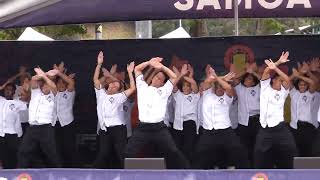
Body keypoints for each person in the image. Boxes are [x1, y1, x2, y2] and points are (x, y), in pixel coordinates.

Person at [125, 57, 189, 169]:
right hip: (143, 128)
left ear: (162, 83)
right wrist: (149, 62)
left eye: (161, 79)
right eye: (157, 77)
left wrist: (162, 67)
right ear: (152, 77)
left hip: (159, 128)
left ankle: (187, 172)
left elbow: (174, 77)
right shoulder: (142, 86)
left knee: (173, 151)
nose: (158, 79)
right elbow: (137, 69)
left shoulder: (165, 90)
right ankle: (125, 174)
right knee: (128, 152)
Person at [193, 65, 249, 169]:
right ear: (214, 87)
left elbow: (228, 88)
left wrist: (218, 78)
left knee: (238, 151)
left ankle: (245, 174)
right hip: (209, 131)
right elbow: (207, 82)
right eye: (218, 87)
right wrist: (221, 78)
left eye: (221, 87)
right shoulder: (207, 94)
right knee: (201, 153)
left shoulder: (227, 97)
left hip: (225, 131)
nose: (220, 89)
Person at [254, 52, 297, 168]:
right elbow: (266, 71)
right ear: (273, 81)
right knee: (259, 153)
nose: (281, 82)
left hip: (280, 129)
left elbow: (287, 79)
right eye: (279, 80)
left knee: (291, 149)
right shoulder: (265, 87)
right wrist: (276, 63)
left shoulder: (283, 92)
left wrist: (276, 68)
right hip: (265, 129)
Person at [93, 51, 136, 168]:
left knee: (121, 153)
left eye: (117, 87)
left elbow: (132, 88)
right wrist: (99, 64)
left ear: (118, 90)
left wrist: (130, 73)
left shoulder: (119, 97)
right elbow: (96, 80)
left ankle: (128, 175)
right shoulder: (100, 94)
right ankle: (93, 174)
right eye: (112, 84)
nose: (113, 86)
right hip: (104, 128)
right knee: (103, 153)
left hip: (118, 129)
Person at [18, 67, 61, 168]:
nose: (47, 87)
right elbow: (33, 79)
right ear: (41, 85)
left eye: (48, 85)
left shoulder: (53, 94)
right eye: (45, 85)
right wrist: (45, 74)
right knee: (23, 151)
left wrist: (44, 76)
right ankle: (21, 173)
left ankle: (58, 173)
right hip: (32, 128)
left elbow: (53, 86)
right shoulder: (35, 91)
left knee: (51, 154)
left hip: (45, 128)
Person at [233, 63, 261, 167]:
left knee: (256, 146)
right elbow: (235, 78)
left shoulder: (258, 88)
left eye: (249, 79)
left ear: (253, 81)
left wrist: (252, 72)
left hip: (256, 121)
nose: (246, 80)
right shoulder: (240, 88)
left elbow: (263, 80)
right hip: (243, 122)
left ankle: (255, 168)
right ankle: (245, 168)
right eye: (245, 79)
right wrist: (246, 71)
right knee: (244, 147)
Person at [172, 64, 200, 162]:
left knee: (189, 147)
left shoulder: (195, 95)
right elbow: (173, 85)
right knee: (178, 147)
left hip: (190, 123)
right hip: (178, 124)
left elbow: (194, 84)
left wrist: (186, 74)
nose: (186, 88)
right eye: (184, 86)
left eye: (188, 86)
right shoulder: (177, 94)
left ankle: (190, 169)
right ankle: (179, 169)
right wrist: (180, 75)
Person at [52, 62, 77, 167]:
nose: (61, 84)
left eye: (63, 83)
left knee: (69, 148)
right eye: (59, 83)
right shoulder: (53, 93)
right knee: (56, 149)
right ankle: (58, 169)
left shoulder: (69, 93)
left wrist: (59, 73)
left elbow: (71, 82)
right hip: (54, 124)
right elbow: (49, 82)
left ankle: (71, 170)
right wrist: (55, 74)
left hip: (67, 124)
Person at [0, 83, 28, 168]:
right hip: (1, 134)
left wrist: (25, 91)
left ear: (14, 92)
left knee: (13, 158)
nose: (8, 91)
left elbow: (27, 102)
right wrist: (1, 87)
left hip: (13, 135)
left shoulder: (17, 103)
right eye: (6, 89)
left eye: (10, 89)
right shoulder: (0, 100)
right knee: (3, 157)